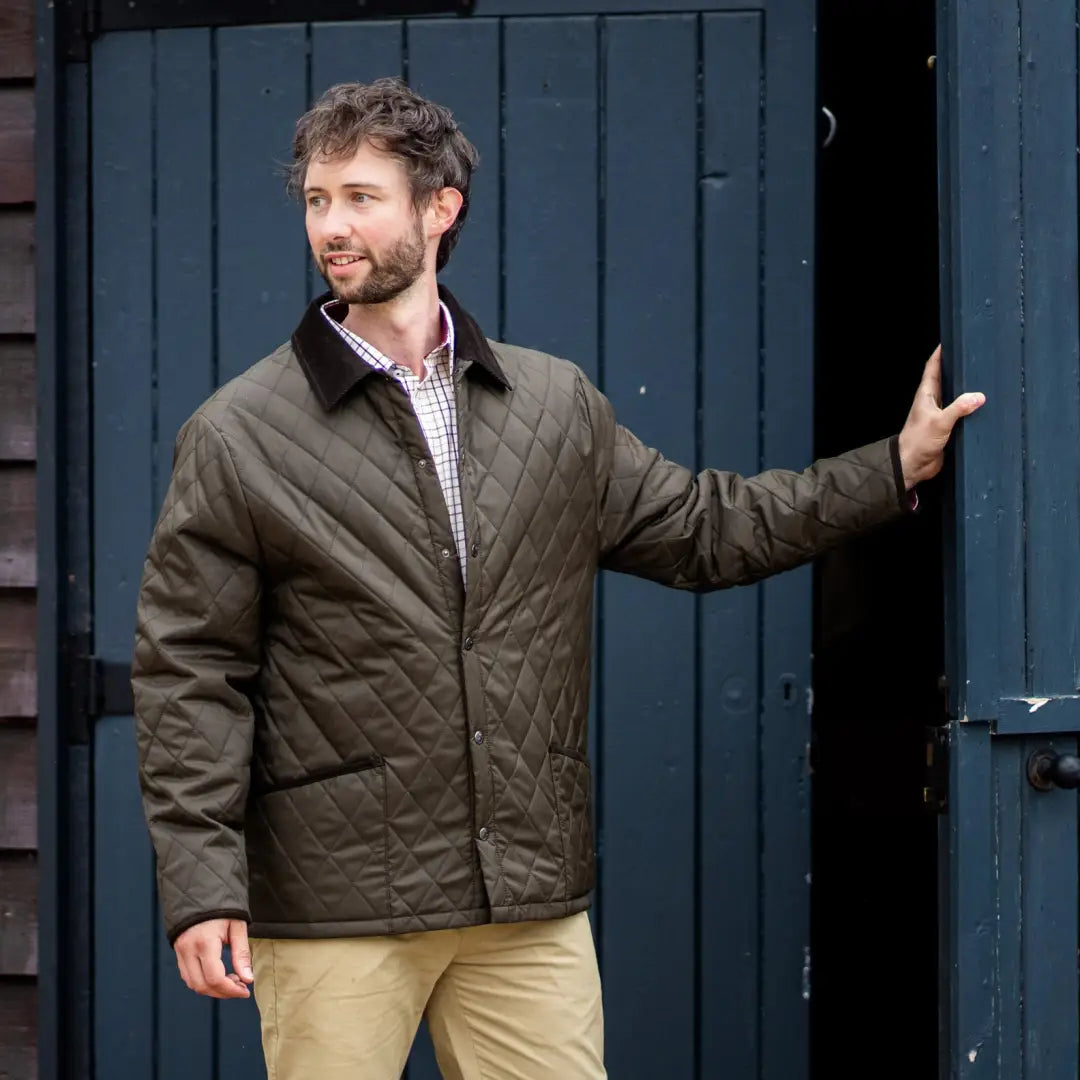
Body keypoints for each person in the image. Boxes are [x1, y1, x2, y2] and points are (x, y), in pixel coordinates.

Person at [132, 78, 984, 1080]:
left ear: (439, 208)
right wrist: (202, 884)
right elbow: (190, 668)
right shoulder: (241, 433)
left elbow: (708, 528)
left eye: (361, 197)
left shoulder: (550, 404)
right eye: (319, 200)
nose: (332, 225)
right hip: (336, 904)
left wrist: (893, 467)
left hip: (524, 900)